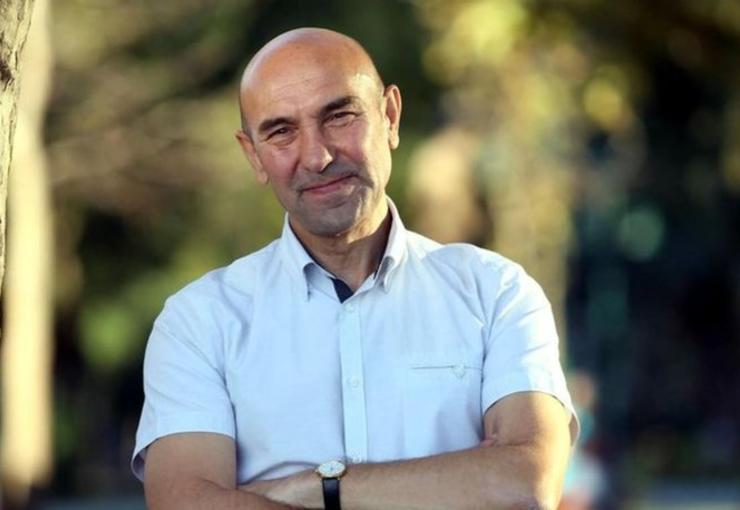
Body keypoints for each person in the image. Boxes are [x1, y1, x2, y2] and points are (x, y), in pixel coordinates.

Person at [132, 27, 579, 510]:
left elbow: (526, 483)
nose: (318, 156)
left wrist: (319, 487)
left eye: (339, 116)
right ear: (253, 156)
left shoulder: (495, 293)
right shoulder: (199, 323)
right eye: (281, 132)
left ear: (390, 117)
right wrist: (457, 480)